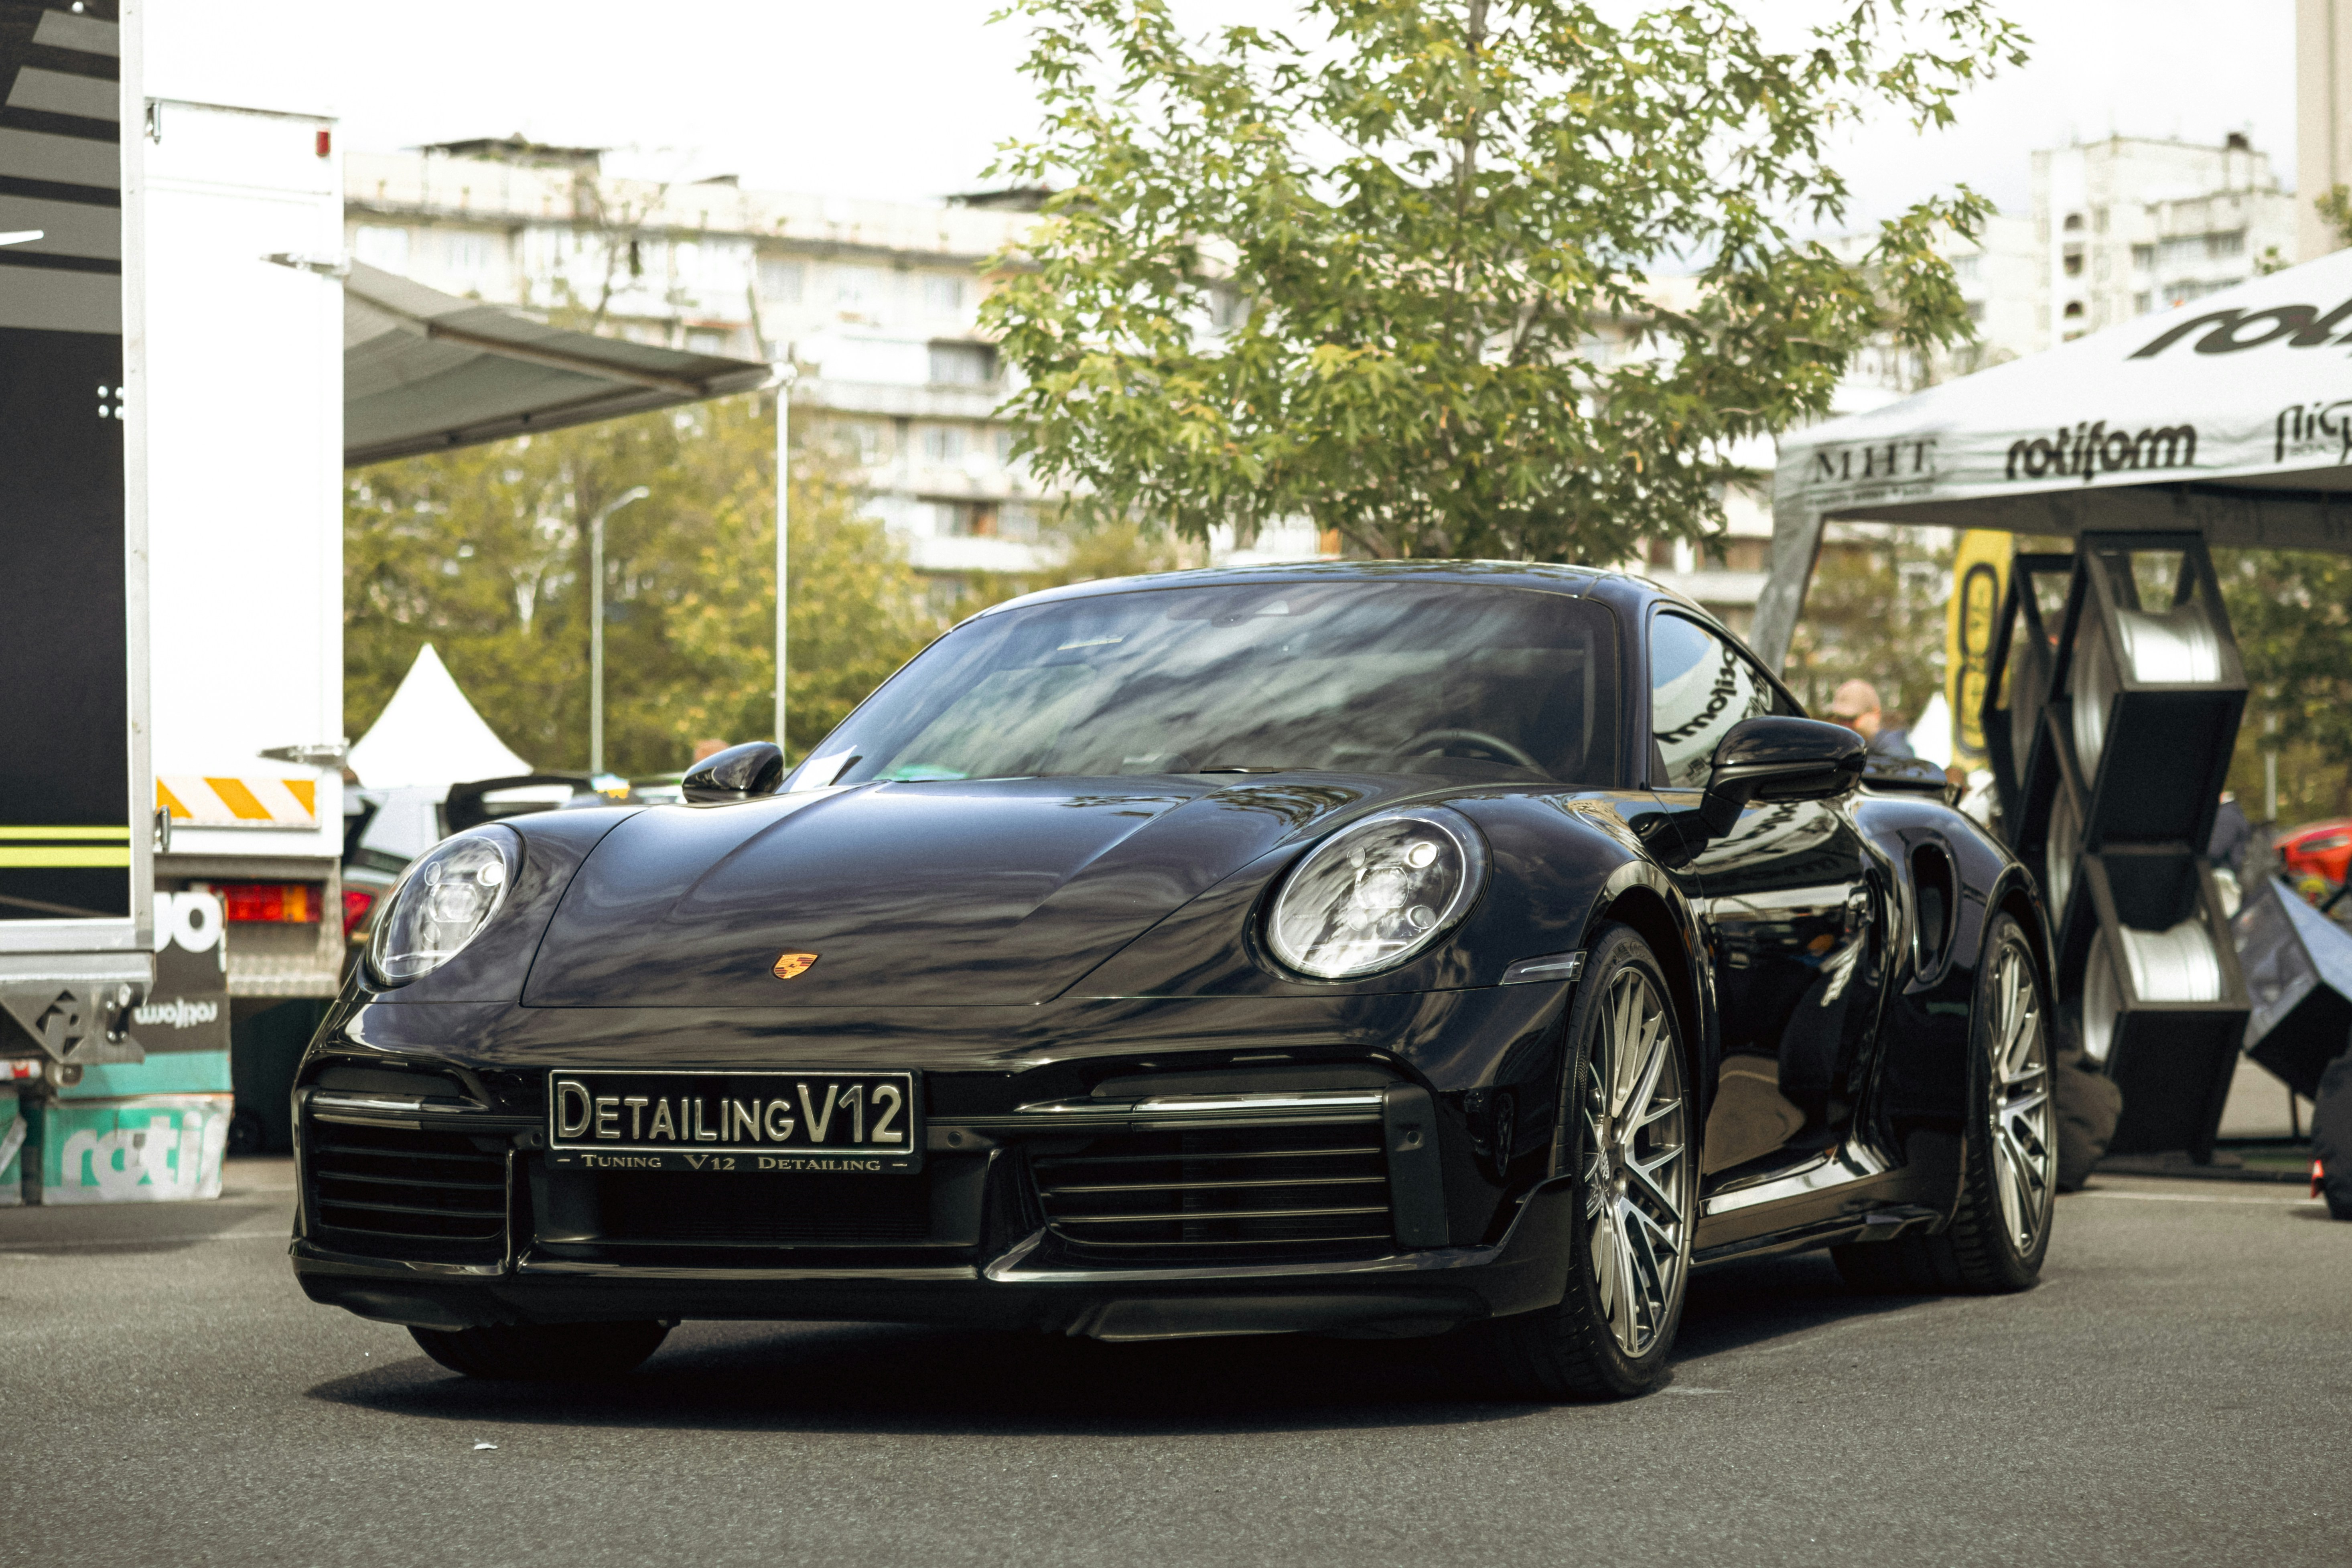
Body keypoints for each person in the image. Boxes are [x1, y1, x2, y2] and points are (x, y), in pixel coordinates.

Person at [1825, 678, 1914, 759]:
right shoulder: (1848, 747)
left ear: (1876, 714)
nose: (1845, 725)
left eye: (1852, 719)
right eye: (1841, 719)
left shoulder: (1893, 749)